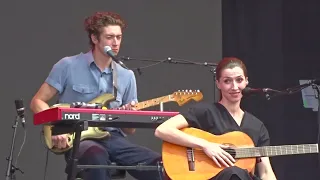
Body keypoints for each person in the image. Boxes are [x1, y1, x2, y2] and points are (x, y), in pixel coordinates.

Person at [30, 11, 162, 180]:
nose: (115, 43)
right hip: (78, 136)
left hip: (113, 138)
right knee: (96, 156)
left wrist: (129, 113)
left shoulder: (126, 75)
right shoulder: (67, 66)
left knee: (158, 164)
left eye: (119, 37)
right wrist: (56, 127)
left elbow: (129, 130)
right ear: (94, 38)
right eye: (109, 37)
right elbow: (37, 101)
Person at [155, 57, 277, 180]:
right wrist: (206, 145)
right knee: (234, 172)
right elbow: (162, 130)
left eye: (239, 80)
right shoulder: (205, 112)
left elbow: (266, 172)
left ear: (246, 81)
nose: (234, 87)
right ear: (218, 83)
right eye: (227, 81)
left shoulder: (257, 127)